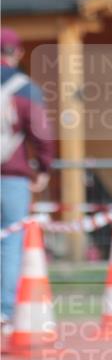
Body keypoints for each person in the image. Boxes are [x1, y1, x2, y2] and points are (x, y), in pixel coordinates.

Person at [1, 28, 54, 331]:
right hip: (12, 176)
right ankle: (4, 311)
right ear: (17, 53)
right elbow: (41, 132)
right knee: (10, 243)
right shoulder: (25, 89)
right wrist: (43, 168)